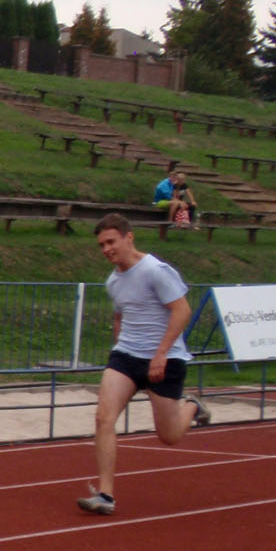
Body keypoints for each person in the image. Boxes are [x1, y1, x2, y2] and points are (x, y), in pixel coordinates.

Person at [77, 212, 211, 516]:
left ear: (129, 237)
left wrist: (160, 354)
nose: (106, 249)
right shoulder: (113, 281)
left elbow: (182, 311)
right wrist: (119, 347)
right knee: (103, 417)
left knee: (170, 436)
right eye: (101, 245)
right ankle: (105, 495)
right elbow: (120, 316)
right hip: (126, 356)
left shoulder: (156, 271)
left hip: (165, 358)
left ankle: (191, 406)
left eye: (111, 242)